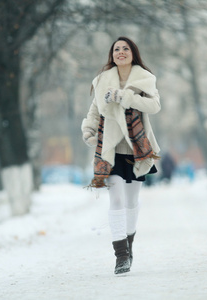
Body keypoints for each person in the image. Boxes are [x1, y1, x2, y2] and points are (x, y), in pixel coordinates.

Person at [81, 36, 161, 275]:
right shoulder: (101, 80)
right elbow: (94, 111)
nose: (121, 52)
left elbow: (154, 106)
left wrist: (124, 96)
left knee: (131, 201)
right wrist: (88, 130)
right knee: (115, 200)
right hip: (110, 147)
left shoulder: (145, 79)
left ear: (133, 53)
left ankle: (129, 243)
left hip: (136, 148)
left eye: (125, 48)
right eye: (117, 49)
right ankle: (121, 257)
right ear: (112, 55)